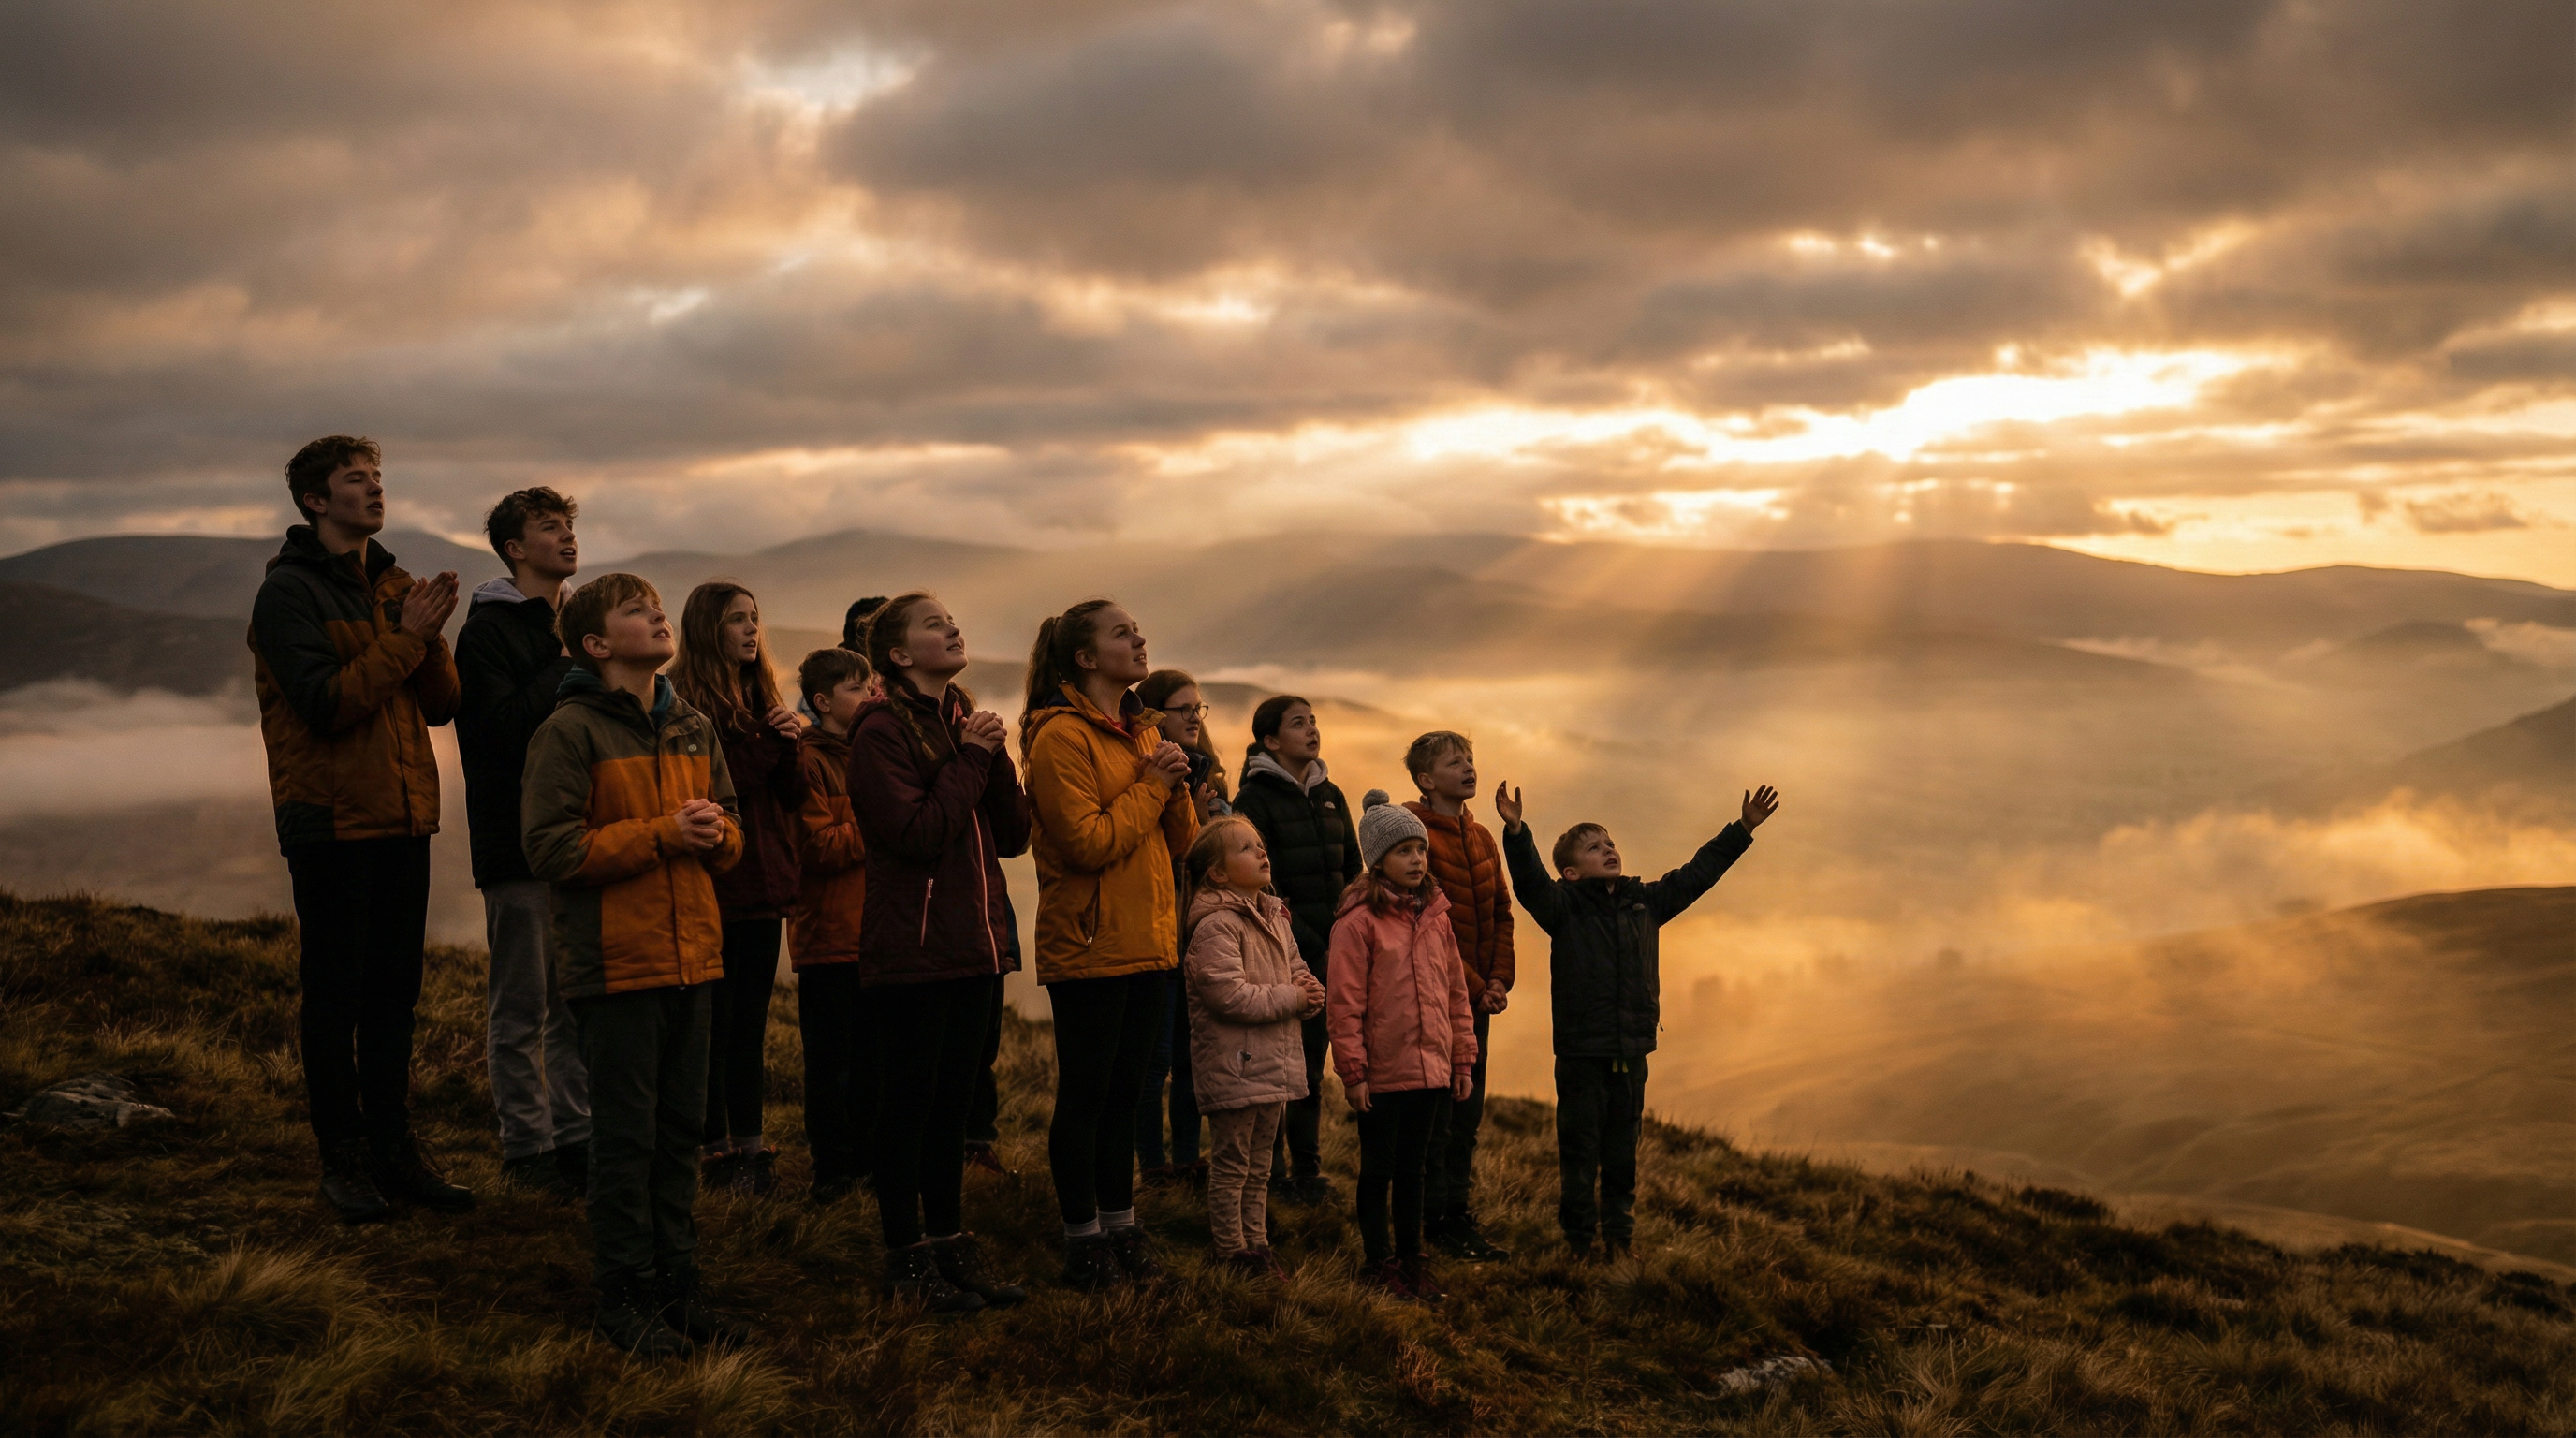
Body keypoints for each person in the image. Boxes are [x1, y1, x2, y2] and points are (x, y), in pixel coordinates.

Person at [521, 573, 753, 1358]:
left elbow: (732, 829)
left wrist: (719, 836)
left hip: (694, 960)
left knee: (680, 1131)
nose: (658, 615)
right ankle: (625, 1294)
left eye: (658, 608)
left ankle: (677, 1285)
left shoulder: (689, 724)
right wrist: (663, 834)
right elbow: (550, 849)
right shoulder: (570, 732)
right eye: (636, 611)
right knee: (626, 1138)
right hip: (617, 966)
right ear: (594, 644)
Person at [248, 434, 471, 1224]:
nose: (375, 490)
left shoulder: (394, 584)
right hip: (332, 823)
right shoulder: (288, 596)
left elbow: (441, 704)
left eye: (378, 478)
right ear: (316, 500)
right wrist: (408, 635)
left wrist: (428, 633)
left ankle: (394, 1149)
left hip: (405, 816)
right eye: (356, 480)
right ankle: (339, 1159)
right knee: (336, 995)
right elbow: (327, 703)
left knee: (394, 997)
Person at [1497, 780, 1781, 1258]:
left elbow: (1697, 874)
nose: (1608, 849)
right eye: (1593, 847)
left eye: (1609, 842)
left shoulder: (1645, 903)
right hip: (1581, 1056)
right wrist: (1517, 832)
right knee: (1580, 1153)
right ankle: (1579, 1243)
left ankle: (1620, 1240)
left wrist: (1743, 828)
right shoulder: (1562, 908)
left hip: (1631, 1054)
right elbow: (1527, 885)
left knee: (1623, 1155)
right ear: (1569, 872)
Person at [846, 593, 1031, 1315]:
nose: (952, 627)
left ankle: (951, 1247)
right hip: (916, 948)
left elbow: (1012, 834)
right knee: (910, 1106)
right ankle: (906, 1260)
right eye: (933, 624)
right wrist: (974, 756)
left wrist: (995, 753)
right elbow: (917, 832)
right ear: (897, 655)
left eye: (951, 619)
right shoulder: (880, 731)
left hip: (976, 944)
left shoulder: (961, 720)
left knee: (953, 1108)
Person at [1019, 600, 1198, 1291]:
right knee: (1088, 1095)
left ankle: (1122, 1226)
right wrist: (1153, 788)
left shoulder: (1141, 734)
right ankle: (1081, 1239)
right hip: (1090, 942)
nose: (1140, 638)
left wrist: (1175, 787)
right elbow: (1088, 843)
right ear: (1087, 660)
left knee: (1128, 1096)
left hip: (1150, 940)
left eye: (1138, 628)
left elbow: (1181, 845)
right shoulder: (1060, 739)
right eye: (1122, 633)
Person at [456, 485, 589, 1201]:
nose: (566, 537)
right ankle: (525, 1148)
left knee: (573, 1004)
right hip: (514, 843)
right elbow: (494, 733)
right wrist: (565, 664)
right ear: (515, 548)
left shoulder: (570, 625)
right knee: (520, 1006)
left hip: (579, 841)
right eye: (549, 528)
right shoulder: (488, 632)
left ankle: (575, 1137)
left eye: (569, 525)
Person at [671, 582, 807, 1196]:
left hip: (765, 881)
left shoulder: (760, 696)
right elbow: (725, 787)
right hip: (719, 883)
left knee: (749, 1026)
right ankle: (713, 1147)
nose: (751, 630)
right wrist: (771, 740)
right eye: (736, 620)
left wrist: (792, 742)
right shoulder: (685, 702)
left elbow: (792, 795)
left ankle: (749, 1148)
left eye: (755, 618)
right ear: (708, 629)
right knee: (716, 1024)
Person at [1327, 794, 1477, 1301]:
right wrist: (1354, 1072)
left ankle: (1412, 1260)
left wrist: (1461, 1058)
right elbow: (1343, 1003)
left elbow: (1456, 992)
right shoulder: (1358, 922)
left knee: (1415, 1170)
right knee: (1378, 1170)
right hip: (1383, 1072)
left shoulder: (1437, 917)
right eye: (1404, 851)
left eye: (1421, 850)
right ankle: (1377, 1262)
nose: (1417, 860)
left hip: (1432, 1070)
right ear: (1377, 860)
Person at [1228, 694, 1359, 1203]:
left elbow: (1351, 869)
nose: (1312, 730)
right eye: (1298, 723)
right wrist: (1314, 944)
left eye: (1314, 722)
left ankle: (1307, 1171)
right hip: (1279, 952)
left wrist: (1346, 935)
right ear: (1270, 740)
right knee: (1277, 1066)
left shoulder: (1332, 795)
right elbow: (1264, 883)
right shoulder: (1255, 801)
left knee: (1310, 1062)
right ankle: (1274, 1173)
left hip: (1334, 949)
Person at [1180, 816, 1322, 1275]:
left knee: (1261, 1163)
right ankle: (1230, 1249)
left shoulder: (1273, 915)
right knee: (1232, 1162)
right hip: (1235, 1064)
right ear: (1218, 873)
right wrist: (1293, 998)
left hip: (1270, 1061)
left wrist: (1308, 990)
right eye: (1246, 848)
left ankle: (1256, 1243)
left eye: (1260, 844)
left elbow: (1294, 965)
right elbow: (1229, 996)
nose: (1262, 853)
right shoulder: (1216, 926)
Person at [1401, 731, 1513, 1261]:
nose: (1469, 767)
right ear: (1426, 780)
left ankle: (1454, 1214)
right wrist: (1475, 986)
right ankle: (1427, 1218)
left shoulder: (1483, 836)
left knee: (1467, 1112)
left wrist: (1498, 981)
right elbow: (1425, 918)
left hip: (1476, 1001)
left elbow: (1501, 913)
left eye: (1470, 758)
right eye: (1454, 762)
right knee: (1437, 1112)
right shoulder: (1414, 836)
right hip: (1435, 998)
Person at [1132, 668, 1229, 1186]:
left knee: (1194, 1057)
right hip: (1161, 930)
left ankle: (1188, 1158)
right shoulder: (1149, 771)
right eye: (1182, 709)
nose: (1194, 717)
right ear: (1155, 716)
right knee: (1156, 1061)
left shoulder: (1209, 775)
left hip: (1203, 936)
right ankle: (1153, 1165)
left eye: (1198, 708)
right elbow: (1167, 853)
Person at [789, 646, 873, 1203]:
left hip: (876, 936)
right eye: (856, 689)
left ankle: (867, 1168)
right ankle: (832, 1174)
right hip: (828, 937)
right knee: (831, 1065)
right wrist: (881, 817)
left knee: (872, 1061)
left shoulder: (870, 754)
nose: (870, 697)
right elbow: (817, 847)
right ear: (822, 702)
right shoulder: (806, 762)